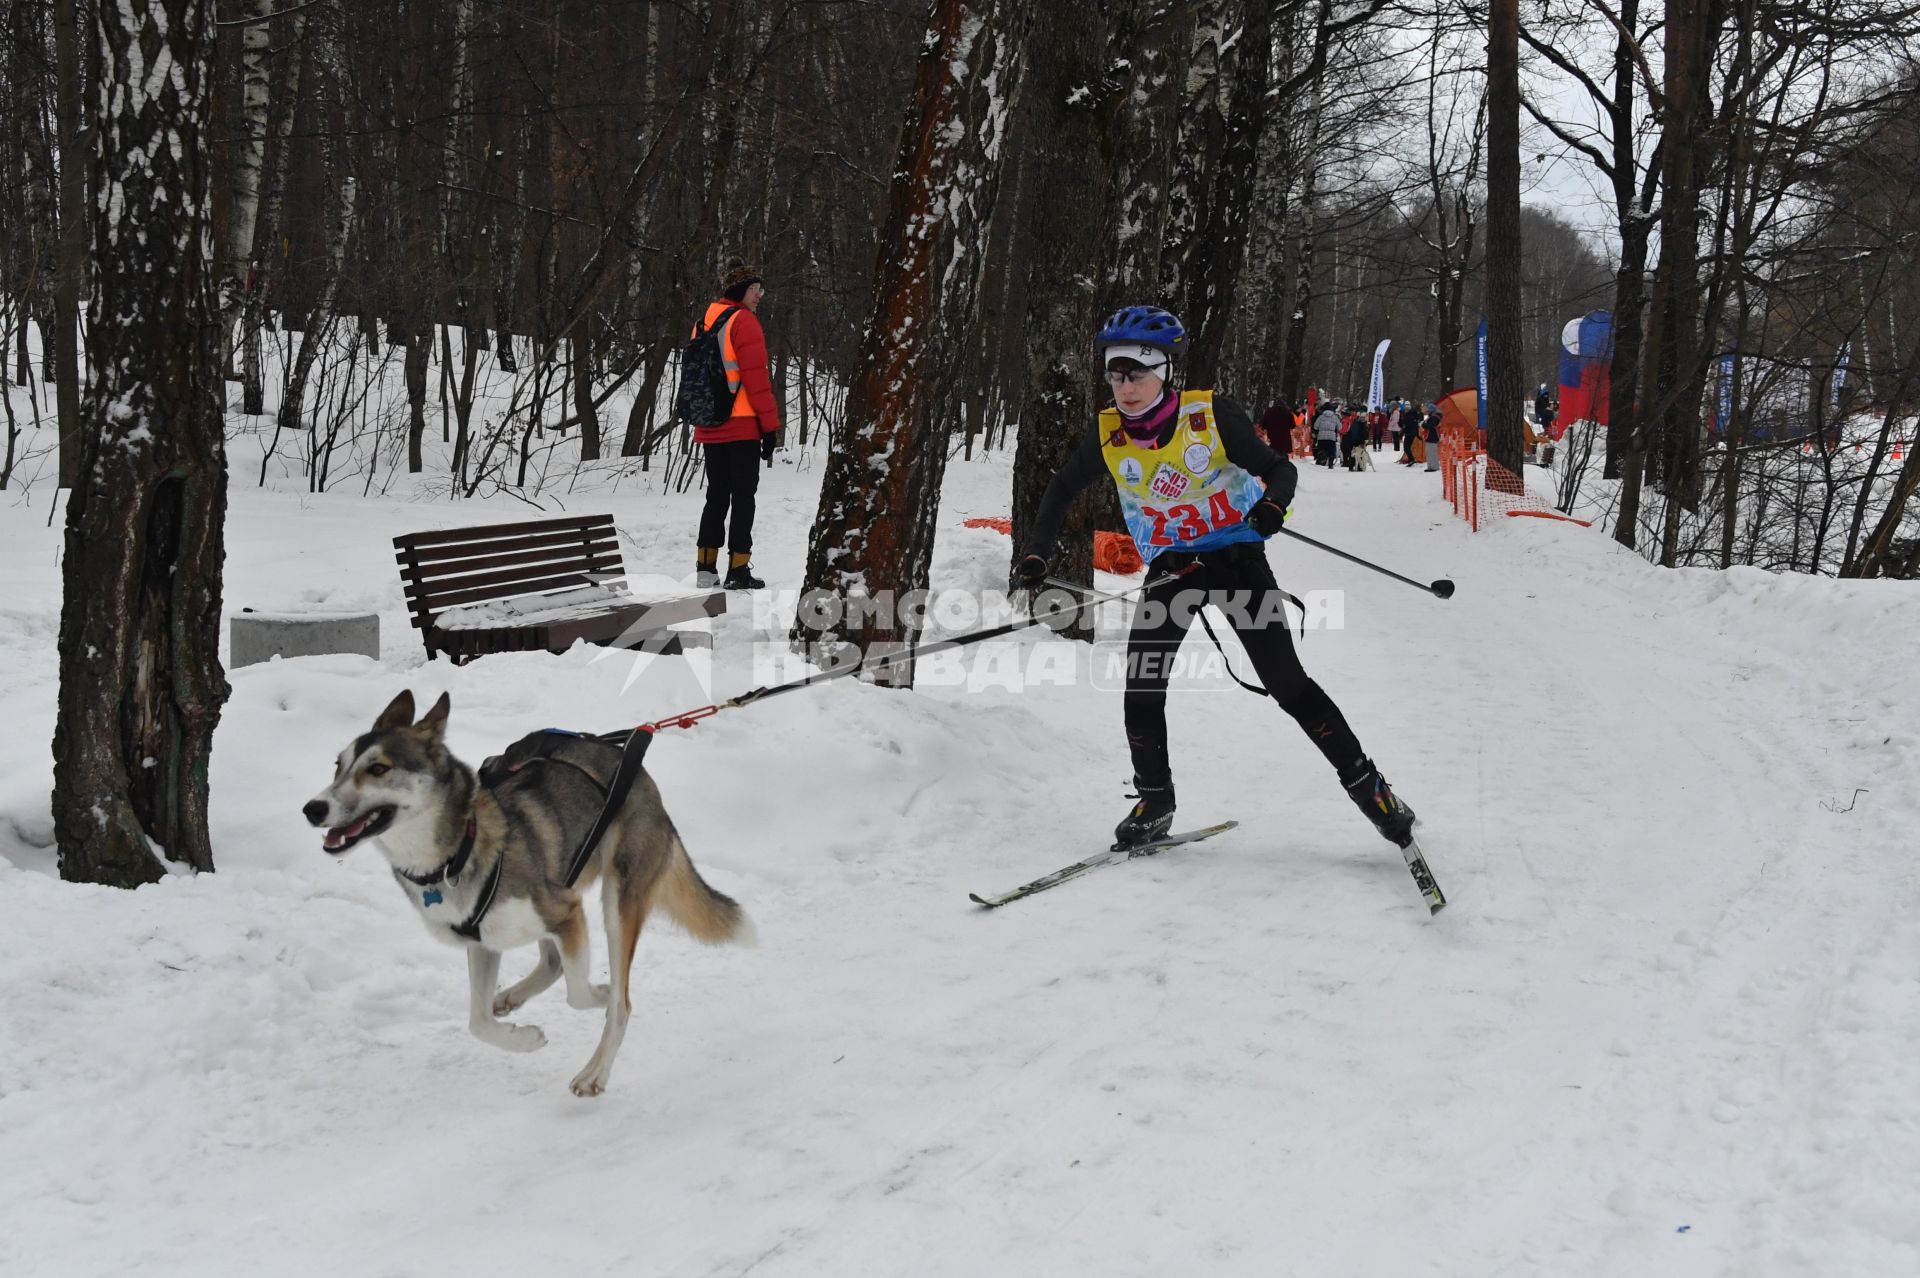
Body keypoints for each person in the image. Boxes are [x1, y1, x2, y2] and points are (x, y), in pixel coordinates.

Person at [1013, 305, 1418, 852]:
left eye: (1137, 373)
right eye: (1115, 374)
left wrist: (1273, 506)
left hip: (1237, 563)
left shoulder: (1209, 416)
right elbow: (1061, 489)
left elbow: (1280, 468)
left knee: (1287, 684)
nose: (1125, 388)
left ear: (1164, 372)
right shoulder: (1108, 433)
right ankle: (1155, 801)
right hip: (1174, 571)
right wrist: (1037, 554)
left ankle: (1371, 790)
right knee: (1141, 685)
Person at [693, 260, 782, 590]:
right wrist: (770, 427)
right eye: (756, 289)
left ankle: (705, 568)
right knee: (744, 496)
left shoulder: (705, 319)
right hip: (742, 424)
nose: (760, 296)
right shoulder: (744, 322)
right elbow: (757, 380)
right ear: (741, 291)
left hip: (709, 423)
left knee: (716, 495)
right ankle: (738, 570)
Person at [1312, 399, 1342, 468]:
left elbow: (1315, 426)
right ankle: (1330, 463)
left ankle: (1321, 461)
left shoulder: (1320, 417)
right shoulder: (1335, 417)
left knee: (1321, 449)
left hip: (1321, 437)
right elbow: (1340, 427)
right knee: (1332, 450)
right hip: (1331, 437)